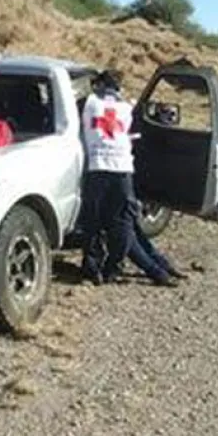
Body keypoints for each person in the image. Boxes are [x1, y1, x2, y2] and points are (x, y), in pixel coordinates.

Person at [79, 70, 178, 287]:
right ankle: (114, 268)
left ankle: (93, 269)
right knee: (123, 224)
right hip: (123, 171)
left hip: (97, 169)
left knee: (93, 223)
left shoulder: (89, 104)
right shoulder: (126, 109)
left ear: (100, 85)